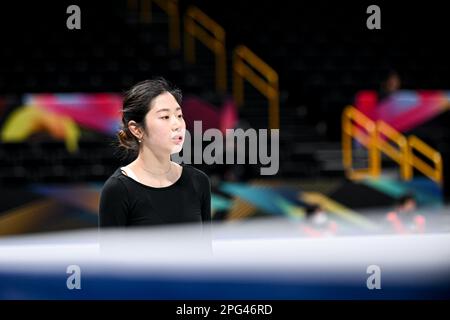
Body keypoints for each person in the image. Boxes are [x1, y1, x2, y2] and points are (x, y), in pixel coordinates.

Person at [99, 78, 211, 228]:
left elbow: (205, 250)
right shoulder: (118, 189)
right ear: (137, 129)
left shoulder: (199, 182)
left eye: (179, 115)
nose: (177, 124)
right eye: (165, 117)